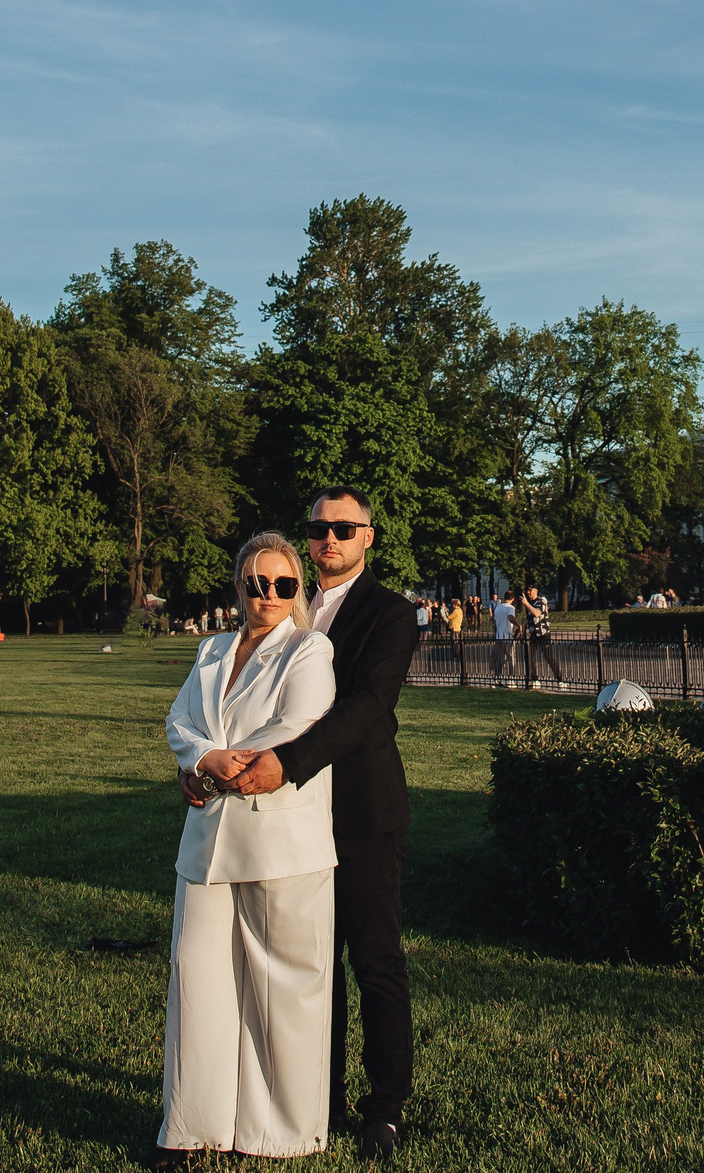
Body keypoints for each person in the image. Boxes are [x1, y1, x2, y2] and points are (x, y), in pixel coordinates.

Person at [205, 487, 419, 1163]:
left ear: (368, 537)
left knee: (374, 961)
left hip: (360, 812)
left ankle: (383, 1106)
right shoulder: (282, 610)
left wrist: (286, 763)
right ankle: (311, 1099)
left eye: (344, 528)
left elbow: (366, 706)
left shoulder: (390, 613)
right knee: (305, 968)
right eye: (319, 528)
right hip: (287, 824)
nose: (330, 538)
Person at [156, 530, 339, 1162]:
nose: (267, 594)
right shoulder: (211, 649)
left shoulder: (310, 649)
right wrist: (201, 758)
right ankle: (191, 1129)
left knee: (283, 986)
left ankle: (281, 1132)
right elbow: (181, 720)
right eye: (255, 582)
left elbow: (298, 725)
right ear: (239, 587)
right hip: (207, 839)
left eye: (282, 584)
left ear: (296, 592)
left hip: (280, 837)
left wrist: (226, 765)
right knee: (197, 976)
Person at [490, 591, 517, 687]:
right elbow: (510, 617)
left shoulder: (498, 608)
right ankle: (511, 679)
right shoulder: (510, 608)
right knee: (511, 659)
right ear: (513, 598)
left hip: (499, 636)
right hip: (507, 636)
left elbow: (495, 622)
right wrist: (518, 625)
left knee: (499, 659)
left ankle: (497, 678)